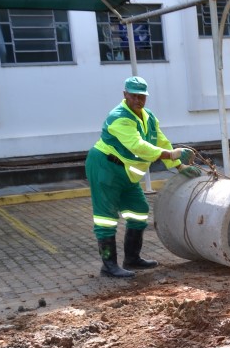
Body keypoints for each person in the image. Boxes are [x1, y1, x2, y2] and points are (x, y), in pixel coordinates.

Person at [85, 76, 201, 278]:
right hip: (106, 168)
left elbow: (161, 141)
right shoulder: (119, 117)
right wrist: (171, 154)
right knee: (106, 218)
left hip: (127, 174)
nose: (138, 100)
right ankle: (108, 266)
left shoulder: (148, 117)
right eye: (133, 96)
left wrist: (179, 166)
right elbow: (138, 146)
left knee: (139, 210)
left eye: (142, 96)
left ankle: (132, 258)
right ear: (125, 94)